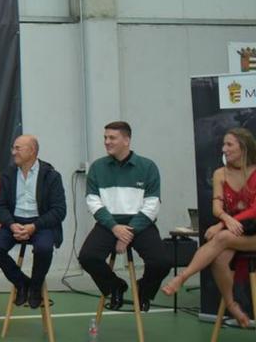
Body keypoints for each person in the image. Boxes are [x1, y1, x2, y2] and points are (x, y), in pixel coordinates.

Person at [161, 128, 256, 327]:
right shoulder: (220, 173)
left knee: (219, 238)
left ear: (243, 147)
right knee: (219, 257)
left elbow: (254, 210)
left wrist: (222, 224)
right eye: (223, 144)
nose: (224, 149)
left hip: (250, 233)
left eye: (229, 144)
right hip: (235, 233)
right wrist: (224, 219)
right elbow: (216, 207)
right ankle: (232, 305)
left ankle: (182, 277)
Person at [78, 121, 171, 313]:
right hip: (109, 224)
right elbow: (93, 202)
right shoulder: (97, 167)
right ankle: (115, 286)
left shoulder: (148, 167)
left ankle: (143, 290)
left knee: (161, 263)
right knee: (87, 257)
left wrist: (128, 233)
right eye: (105, 137)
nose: (107, 142)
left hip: (140, 224)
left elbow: (152, 204)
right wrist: (114, 228)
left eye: (112, 138)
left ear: (126, 140)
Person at [0, 135, 66, 309]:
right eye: (13, 148)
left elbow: (59, 211)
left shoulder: (51, 176)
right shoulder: (8, 174)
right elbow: (0, 206)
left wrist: (34, 226)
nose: (13, 152)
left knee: (44, 248)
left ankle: (36, 288)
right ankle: (22, 283)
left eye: (18, 148)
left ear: (32, 151)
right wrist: (10, 224)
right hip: (14, 222)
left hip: (40, 223)